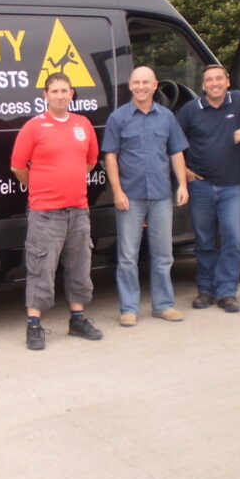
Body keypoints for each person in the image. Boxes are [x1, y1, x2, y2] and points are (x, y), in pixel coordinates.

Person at [177, 64, 240, 313]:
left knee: (233, 239)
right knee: (204, 241)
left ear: (227, 81)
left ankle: (227, 292)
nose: (214, 83)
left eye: (218, 79)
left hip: (231, 187)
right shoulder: (191, 110)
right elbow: (175, 143)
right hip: (200, 185)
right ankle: (205, 290)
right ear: (203, 86)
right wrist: (185, 173)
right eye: (209, 80)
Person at [10, 72, 101, 350]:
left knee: (79, 268)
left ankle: (77, 319)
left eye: (65, 90)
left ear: (72, 94)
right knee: (41, 269)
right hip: (46, 213)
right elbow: (18, 166)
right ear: (45, 95)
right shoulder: (34, 127)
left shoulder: (83, 124)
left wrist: (69, 180)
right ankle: (34, 326)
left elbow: (90, 161)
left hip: (78, 211)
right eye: (55, 91)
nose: (60, 95)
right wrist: (39, 186)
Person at [101, 66, 189, 327]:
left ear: (155, 86)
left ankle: (163, 305)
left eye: (145, 82)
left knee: (163, 255)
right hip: (131, 196)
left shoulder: (167, 118)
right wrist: (117, 191)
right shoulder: (118, 118)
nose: (141, 86)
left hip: (161, 195)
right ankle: (129, 308)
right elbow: (110, 157)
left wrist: (182, 185)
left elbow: (176, 153)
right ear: (130, 86)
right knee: (128, 256)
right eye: (136, 82)